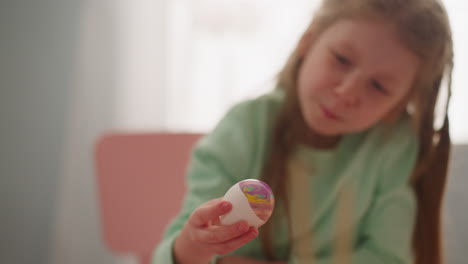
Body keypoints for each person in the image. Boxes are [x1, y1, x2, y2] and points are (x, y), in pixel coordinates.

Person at [153, 0, 454, 263]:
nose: (347, 92)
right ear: (308, 42)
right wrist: (195, 244)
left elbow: (389, 259)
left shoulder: (392, 145)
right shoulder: (245, 128)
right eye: (342, 59)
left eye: (378, 86)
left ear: (396, 106)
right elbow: (172, 257)